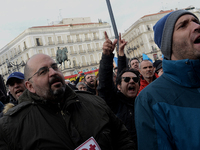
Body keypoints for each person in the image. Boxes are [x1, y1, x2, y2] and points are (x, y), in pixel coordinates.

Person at [0, 53, 134, 149]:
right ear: (30, 86)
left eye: (55, 67)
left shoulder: (93, 102)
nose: (53, 72)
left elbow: (123, 139)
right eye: (43, 71)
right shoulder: (12, 126)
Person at [135, 9, 200, 150]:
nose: (197, 26)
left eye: (196, 21)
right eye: (183, 25)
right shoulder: (150, 99)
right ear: (168, 44)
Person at [98, 31, 140, 149]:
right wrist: (107, 56)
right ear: (119, 87)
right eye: (127, 80)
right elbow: (105, 85)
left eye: (135, 79)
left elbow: (123, 74)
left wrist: (121, 54)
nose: (131, 81)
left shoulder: (143, 102)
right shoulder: (114, 104)